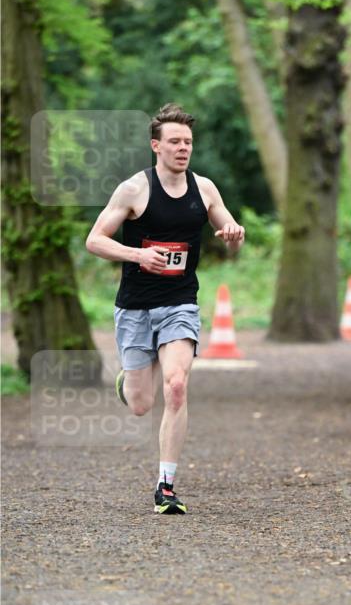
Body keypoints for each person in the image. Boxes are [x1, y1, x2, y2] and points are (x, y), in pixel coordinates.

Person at [86, 103, 245, 514]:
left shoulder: (205, 189)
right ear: (156, 146)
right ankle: (130, 379)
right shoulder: (133, 190)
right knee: (141, 404)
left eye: (188, 142)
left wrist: (233, 233)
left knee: (176, 385)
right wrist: (138, 256)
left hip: (179, 303)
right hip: (136, 307)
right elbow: (95, 240)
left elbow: (229, 232)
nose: (183, 148)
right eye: (174, 141)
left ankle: (166, 486)